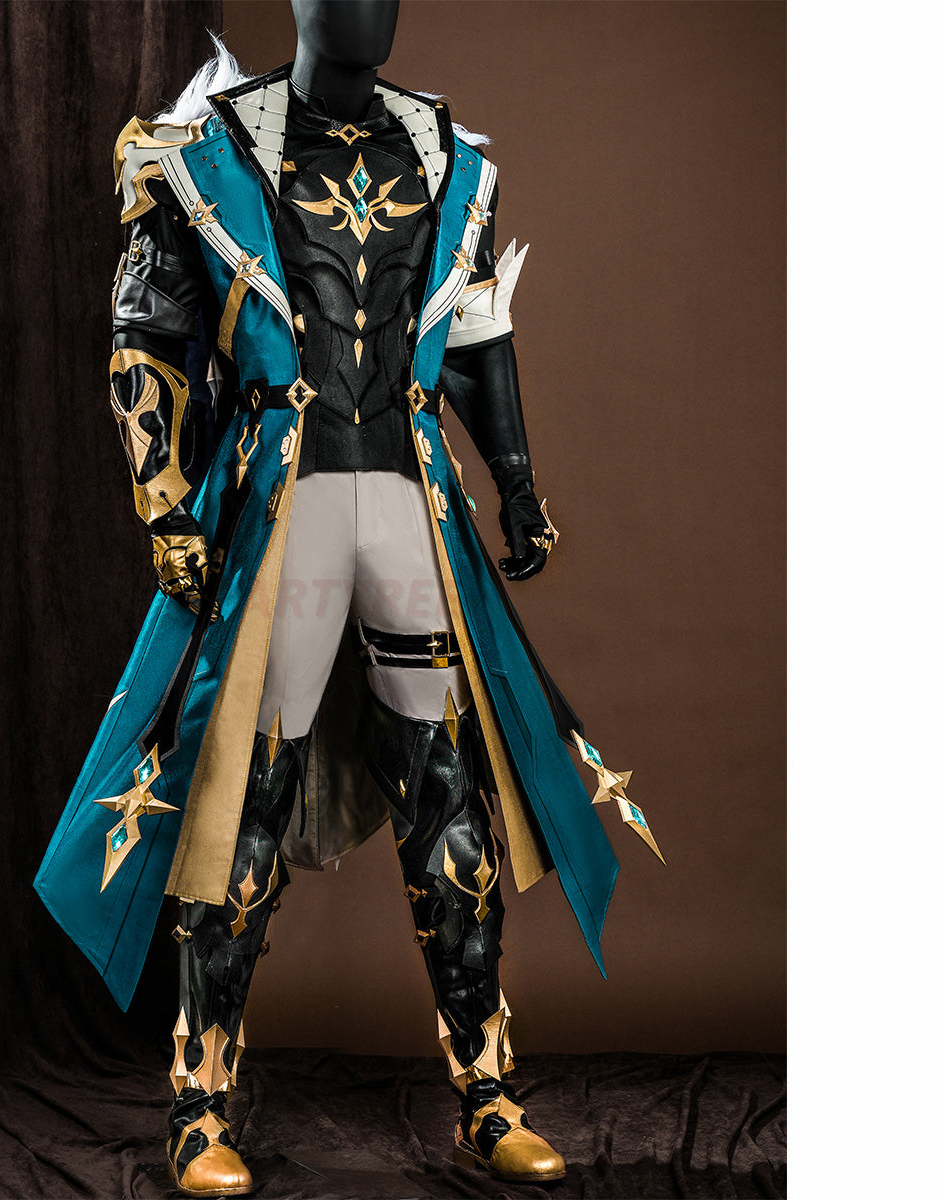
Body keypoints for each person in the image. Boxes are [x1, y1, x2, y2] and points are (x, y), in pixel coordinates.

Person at [35, 3, 656, 1194]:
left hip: (405, 505)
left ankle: (487, 1090)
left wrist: (518, 482)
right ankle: (199, 1108)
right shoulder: (207, 150)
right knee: (243, 800)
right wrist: (163, 501)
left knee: (449, 797)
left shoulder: (447, 156)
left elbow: (471, 337)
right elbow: (145, 336)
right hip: (290, 505)